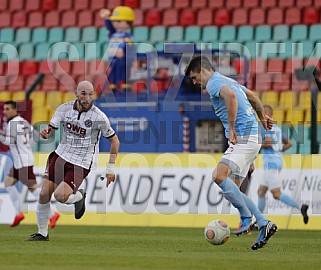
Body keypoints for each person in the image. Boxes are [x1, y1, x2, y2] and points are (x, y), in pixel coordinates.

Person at [184, 56, 276, 250]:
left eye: (194, 77)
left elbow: (232, 98)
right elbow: (252, 96)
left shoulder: (214, 83)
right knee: (233, 189)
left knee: (218, 175)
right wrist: (262, 117)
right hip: (252, 139)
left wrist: (232, 128)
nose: (194, 82)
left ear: (202, 71)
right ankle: (263, 223)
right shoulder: (228, 80)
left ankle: (246, 217)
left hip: (244, 137)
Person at [26, 81, 120, 241]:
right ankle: (42, 233)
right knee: (43, 193)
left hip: (81, 163)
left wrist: (110, 168)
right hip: (60, 155)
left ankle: (79, 197)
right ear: (76, 93)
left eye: (90, 94)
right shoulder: (64, 109)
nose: (87, 97)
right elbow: (50, 130)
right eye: (83, 93)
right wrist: (46, 133)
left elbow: (115, 141)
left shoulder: (99, 117)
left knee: (60, 196)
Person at [0, 101, 60, 228]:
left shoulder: (12, 123)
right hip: (21, 161)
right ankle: (18, 213)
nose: (4, 112)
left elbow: (8, 140)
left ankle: (52, 214)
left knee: (33, 189)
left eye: (7, 109)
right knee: (8, 183)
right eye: (4, 109)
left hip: (22, 163)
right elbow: (35, 136)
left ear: (14, 110)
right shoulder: (24, 121)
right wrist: (26, 148)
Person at [258, 105, 309, 224]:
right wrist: (279, 151)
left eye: (263, 113)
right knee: (261, 191)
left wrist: (257, 145)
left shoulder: (265, 126)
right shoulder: (278, 128)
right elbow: (289, 143)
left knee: (276, 194)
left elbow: (269, 143)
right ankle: (258, 221)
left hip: (271, 163)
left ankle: (301, 206)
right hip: (276, 161)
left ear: (268, 115)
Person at [99, 6, 136, 93]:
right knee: (113, 73)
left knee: (124, 73)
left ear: (128, 23)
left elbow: (129, 45)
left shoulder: (127, 36)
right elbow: (109, 28)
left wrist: (122, 50)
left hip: (123, 59)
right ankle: (113, 88)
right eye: (114, 21)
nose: (115, 23)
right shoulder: (113, 34)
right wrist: (107, 18)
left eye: (118, 21)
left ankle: (125, 88)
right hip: (113, 58)